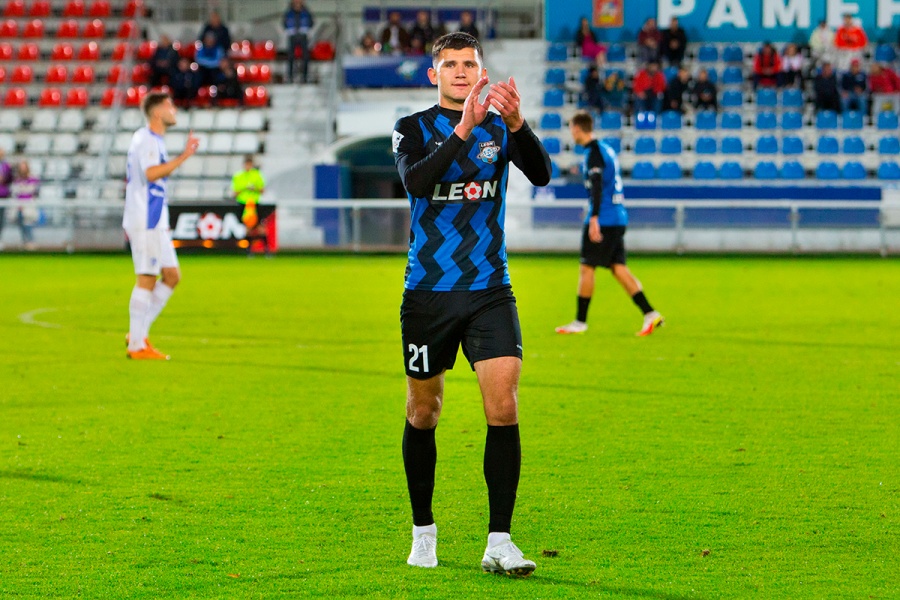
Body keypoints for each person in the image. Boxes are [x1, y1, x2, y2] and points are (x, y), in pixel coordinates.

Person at [392, 32, 551, 575]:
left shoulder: (499, 129)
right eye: (450, 64)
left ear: (482, 72)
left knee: (503, 407)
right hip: (428, 293)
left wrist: (518, 125)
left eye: (469, 64)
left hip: (489, 289)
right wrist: (462, 130)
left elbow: (542, 173)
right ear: (433, 74)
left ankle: (499, 541)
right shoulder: (412, 128)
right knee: (424, 411)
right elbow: (417, 182)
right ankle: (424, 532)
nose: (460, 72)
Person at [556, 111, 664, 337]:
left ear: (578, 129)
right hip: (616, 216)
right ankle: (650, 313)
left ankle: (580, 322)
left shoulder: (594, 153)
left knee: (587, 267)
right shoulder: (606, 150)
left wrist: (594, 217)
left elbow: (596, 185)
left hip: (604, 218)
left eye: (572, 129)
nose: (571, 134)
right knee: (618, 268)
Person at [123, 92, 200, 360]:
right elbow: (151, 173)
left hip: (155, 220)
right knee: (146, 277)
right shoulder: (146, 139)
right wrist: (184, 157)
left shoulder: (153, 140)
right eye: (169, 105)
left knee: (171, 276)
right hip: (145, 219)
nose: (174, 109)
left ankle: (137, 333)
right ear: (157, 112)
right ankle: (136, 345)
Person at [232, 154, 267, 253]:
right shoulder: (238, 176)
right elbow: (234, 193)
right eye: (247, 164)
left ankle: (266, 249)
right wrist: (245, 188)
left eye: (250, 164)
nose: (248, 166)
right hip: (244, 203)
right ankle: (249, 250)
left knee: (260, 227)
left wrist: (254, 188)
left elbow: (263, 191)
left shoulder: (257, 175)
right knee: (248, 227)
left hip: (255, 203)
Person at [10, 161, 39, 251]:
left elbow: (33, 190)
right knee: (21, 224)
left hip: (29, 205)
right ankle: (24, 241)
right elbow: (15, 192)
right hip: (19, 205)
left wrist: (24, 189)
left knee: (28, 224)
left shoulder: (32, 178)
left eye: (24, 167)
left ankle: (31, 241)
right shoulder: (17, 179)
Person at [283, 0, 314, 84]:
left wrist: (306, 29)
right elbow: (284, 24)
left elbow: (311, 23)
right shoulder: (289, 13)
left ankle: (305, 77)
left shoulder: (306, 13)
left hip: (303, 36)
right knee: (290, 57)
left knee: (305, 56)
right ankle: (290, 77)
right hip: (292, 36)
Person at [0, 148, 12, 251]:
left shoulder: (6, 166)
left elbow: (10, 179)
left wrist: (4, 178)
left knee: (1, 219)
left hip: (2, 195)